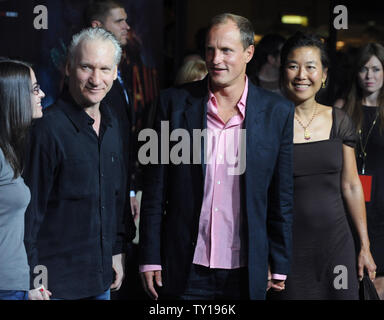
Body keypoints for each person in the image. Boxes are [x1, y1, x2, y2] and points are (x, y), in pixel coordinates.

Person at [139, 13, 295, 300]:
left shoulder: (278, 113)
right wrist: (150, 255)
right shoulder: (172, 105)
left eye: (226, 50)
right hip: (185, 266)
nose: (215, 59)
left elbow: (280, 196)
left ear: (249, 53)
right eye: (210, 49)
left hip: (247, 269)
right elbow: (155, 189)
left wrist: (279, 260)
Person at [23, 27, 135, 300]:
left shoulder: (113, 123)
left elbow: (116, 196)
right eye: (87, 67)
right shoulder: (46, 130)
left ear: (115, 71)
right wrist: (31, 280)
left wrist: (116, 251)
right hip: (54, 287)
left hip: (101, 281)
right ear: (69, 67)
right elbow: (29, 213)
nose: (96, 79)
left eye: (105, 69)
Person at [269, 32, 376, 300]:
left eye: (310, 67)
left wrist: (364, 245)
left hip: (336, 246)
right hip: (289, 249)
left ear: (324, 74)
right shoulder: (271, 123)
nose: (301, 75)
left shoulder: (339, 120)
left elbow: (351, 185)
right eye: (293, 66)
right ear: (283, 73)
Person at [0, 60, 51, 300]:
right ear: (14, 96)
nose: (42, 94)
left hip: (13, 286)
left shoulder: (8, 151)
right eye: (34, 89)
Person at [84, 0, 140, 221]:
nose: (127, 26)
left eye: (126, 20)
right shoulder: (87, 84)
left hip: (119, 190)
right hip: (98, 197)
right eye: (119, 21)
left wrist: (130, 189)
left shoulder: (121, 73)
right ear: (97, 25)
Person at [342, 43, 384, 299]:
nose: (370, 76)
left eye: (376, 69)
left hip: (381, 207)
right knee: (352, 282)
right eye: (364, 69)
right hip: (349, 206)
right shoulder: (342, 109)